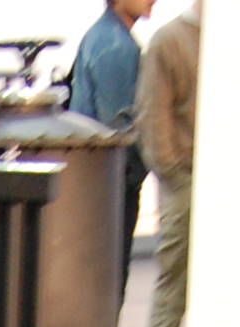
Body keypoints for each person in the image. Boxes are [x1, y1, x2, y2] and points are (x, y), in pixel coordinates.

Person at [66, 0, 152, 301]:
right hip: (110, 185)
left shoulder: (101, 36)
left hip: (90, 180)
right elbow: (118, 128)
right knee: (107, 286)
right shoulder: (117, 46)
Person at [133, 0, 198, 327]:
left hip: (222, 184)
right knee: (173, 289)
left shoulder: (231, 45)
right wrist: (175, 174)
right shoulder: (170, 41)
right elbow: (152, 118)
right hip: (186, 182)